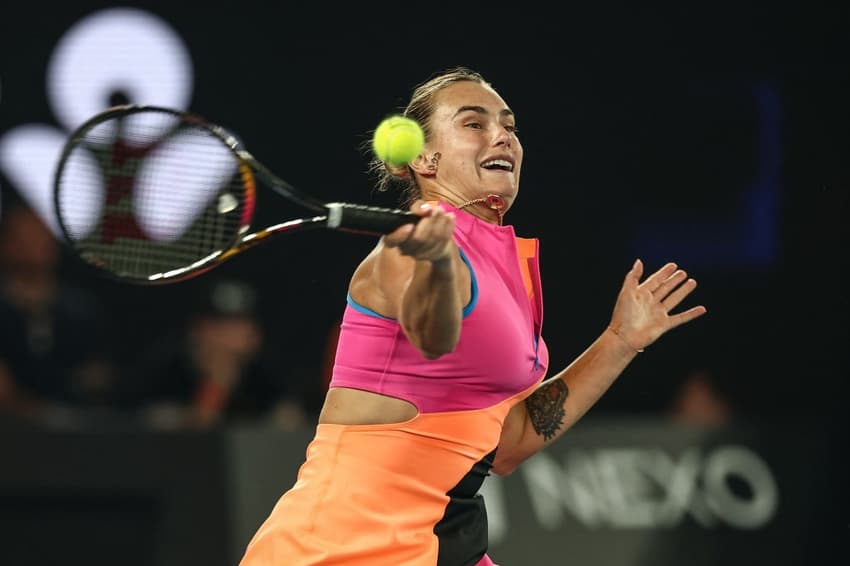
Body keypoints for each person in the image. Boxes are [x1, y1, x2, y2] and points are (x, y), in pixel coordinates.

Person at [239, 67, 707, 566]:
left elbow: (511, 441)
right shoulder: (405, 251)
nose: (502, 134)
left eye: (509, 125)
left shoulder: (504, 266)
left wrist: (619, 340)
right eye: (473, 123)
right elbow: (433, 336)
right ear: (423, 156)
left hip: (437, 546)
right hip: (341, 549)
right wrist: (438, 266)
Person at [119, 279, 309, 430]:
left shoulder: (266, 376)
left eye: (240, 326)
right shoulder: (163, 371)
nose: (233, 337)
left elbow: (288, 426)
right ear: (197, 331)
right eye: (221, 327)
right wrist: (213, 391)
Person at [0, 201, 118, 421]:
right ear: (6, 244)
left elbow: (98, 377)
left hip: (74, 435)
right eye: (23, 237)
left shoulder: (82, 311)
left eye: (41, 234)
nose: (33, 243)